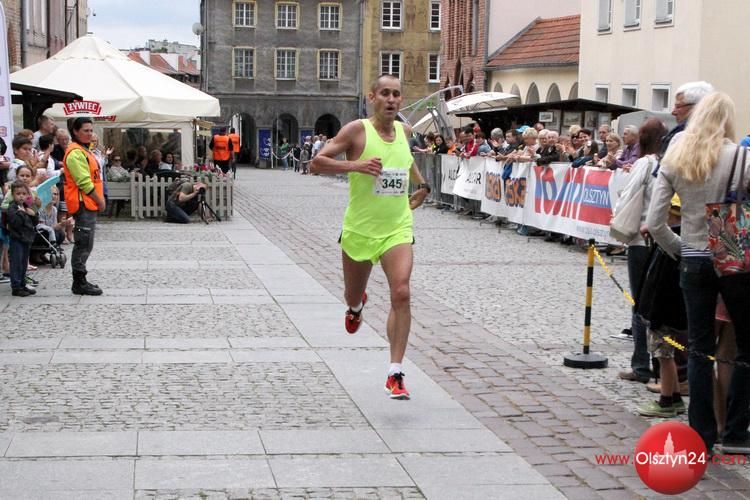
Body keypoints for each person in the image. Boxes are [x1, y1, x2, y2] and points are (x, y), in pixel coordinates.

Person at [310, 74, 430, 400]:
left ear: (401, 100)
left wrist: (421, 186)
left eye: (396, 94)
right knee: (352, 294)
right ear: (372, 97)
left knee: (401, 292)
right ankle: (355, 306)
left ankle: (395, 372)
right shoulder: (357, 131)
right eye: (385, 93)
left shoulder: (405, 132)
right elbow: (316, 163)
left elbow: (407, 164)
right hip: (360, 230)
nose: (391, 99)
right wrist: (357, 166)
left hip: (396, 228)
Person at [646, 92, 750, 453]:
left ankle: (701, 433)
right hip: (732, 255)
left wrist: (680, 250)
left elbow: (655, 222)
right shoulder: (740, 157)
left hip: (692, 256)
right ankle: (735, 432)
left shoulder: (677, 155)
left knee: (698, 348)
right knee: (745, 346)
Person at [615, 117, 667, 385]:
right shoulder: (668, 163)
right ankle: (662, 368)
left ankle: (641, 365)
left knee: (640, 303)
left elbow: (629, 194)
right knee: (660, 303)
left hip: (641, 238)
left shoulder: (645, 163)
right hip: (665, 238)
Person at [62, 117, 105, 296]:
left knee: (87, 243)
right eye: (85, 130)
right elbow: (84, 182)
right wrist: (100, 200)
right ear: (75, 131)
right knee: (83, 243)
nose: (89, 134)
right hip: (83, 202)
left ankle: (81, 279)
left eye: (91, 130)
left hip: (88, 203)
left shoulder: (83, 150)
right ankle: (79, 282)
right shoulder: (75, 153)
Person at [6, 180, 38, 296]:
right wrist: (23, 213)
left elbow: (34, 222)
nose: (21, 196)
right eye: (18, 194)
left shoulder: (26, 206)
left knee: (24, 263)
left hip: (26, 239)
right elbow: (15, 223)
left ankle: (22, 284)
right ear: (13, 195)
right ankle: (16, 286)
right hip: (17, 239)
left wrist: (32, 214)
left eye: (24, 194)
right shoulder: (12, 208)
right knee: (16, 263)